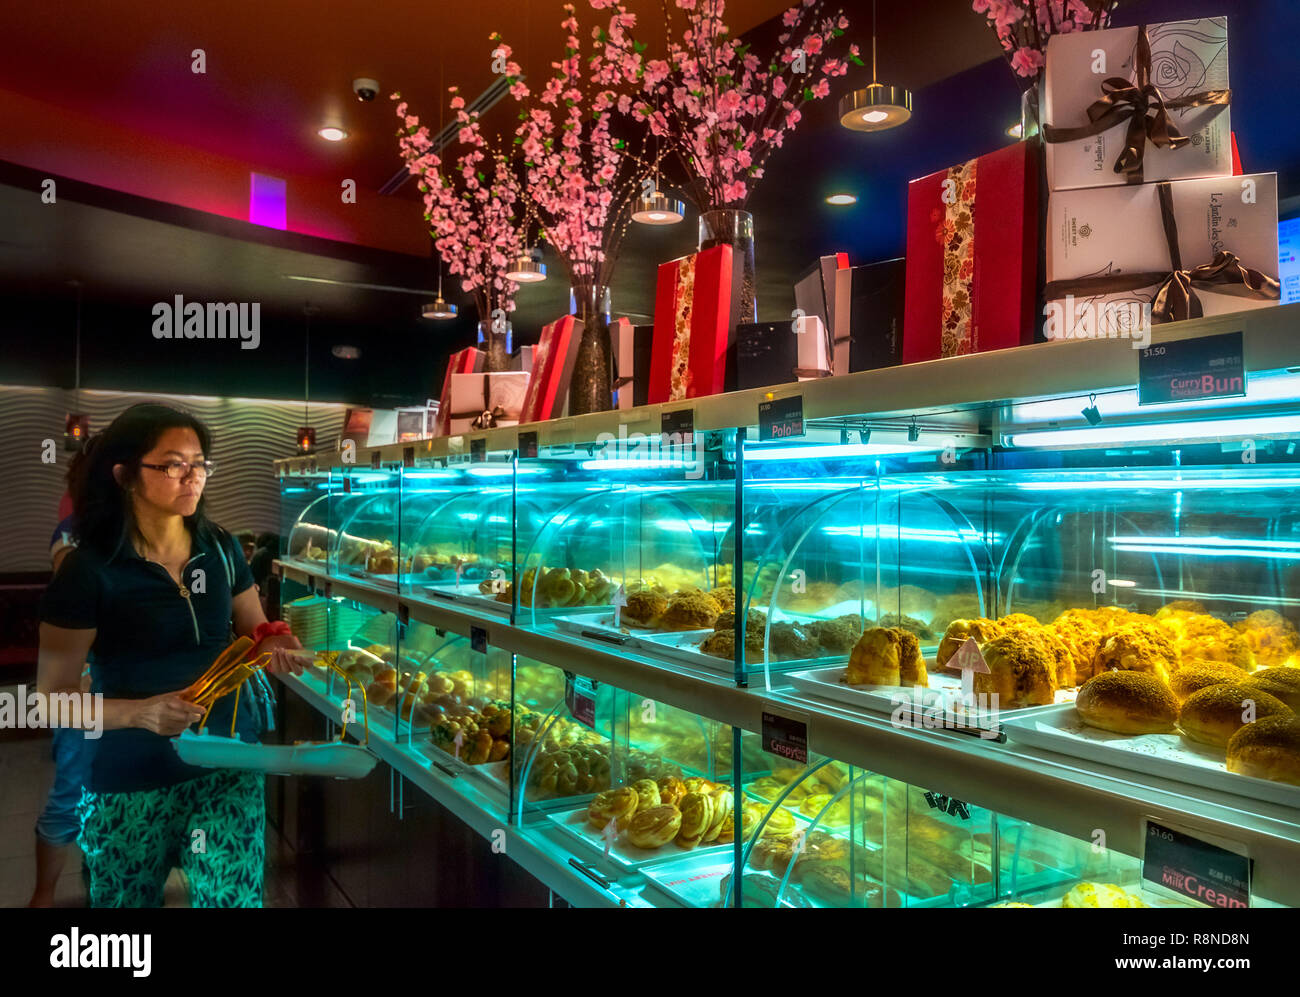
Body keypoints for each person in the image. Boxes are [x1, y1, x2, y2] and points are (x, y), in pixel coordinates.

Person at [37, 403, 305, 907]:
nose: (194, 476)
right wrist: (140, 712)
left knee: (235, 902)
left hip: (226, 765)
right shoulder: (88, 570)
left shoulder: (221, 548)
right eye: (173, 464)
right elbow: (50, 700)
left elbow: (255, 631)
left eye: (200, 463)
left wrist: (276, 643)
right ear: (125, 476)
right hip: (129, 779)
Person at [28, 453, 97, 908]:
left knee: (110, 794)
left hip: (125, 683)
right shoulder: (74, 534)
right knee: (71, 789)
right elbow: (73, 581)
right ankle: (44, 896)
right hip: (81, 684)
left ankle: (103, 882)